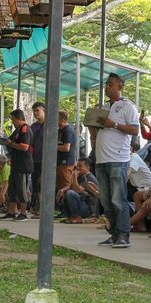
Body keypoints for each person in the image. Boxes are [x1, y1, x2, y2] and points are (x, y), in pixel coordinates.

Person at [90, 73, 139, 248]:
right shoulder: (103, 107)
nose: (107, 87)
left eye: (110, 84)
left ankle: (124, 234)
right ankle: (114, 233)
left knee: (118, 199)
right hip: (101, 159)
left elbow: (134, 130)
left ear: (120, 87)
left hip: (118, 159)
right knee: (106, 200)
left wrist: (115, 125)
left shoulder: (127, 106)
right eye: (106, 84)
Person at [0, 109, 33, 222]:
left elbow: (24, 147)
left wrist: (11, 144)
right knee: (12, 188)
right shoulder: (17, 129)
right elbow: (10, 140)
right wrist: (3, 141)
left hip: (23, 164)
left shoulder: (25, 129)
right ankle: (12, 211)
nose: (12, 122)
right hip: (15, 162)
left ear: (19, 118)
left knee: (22, 189)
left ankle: (23, 212)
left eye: (13, 120)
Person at [56, 158, 99, 223]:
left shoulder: (90, 178)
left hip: (88, 210)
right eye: (77, 166)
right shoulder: (81, 176)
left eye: (80, 166)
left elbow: (78, 189)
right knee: (66, 192)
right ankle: (70, 216)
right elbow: (71, 186)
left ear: (87, 167)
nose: (77, 168)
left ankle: (77, 217)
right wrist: (62, 190)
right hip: (81, 204)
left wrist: (74, 177)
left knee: (70, 193)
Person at [29, 102, 46, 213]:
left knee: (42, 183)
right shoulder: (33, 127)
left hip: (46, 160)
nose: (36, 113)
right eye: (34, 111)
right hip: (34, 160)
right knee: (35, 184)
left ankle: (44, 207)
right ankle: (38, 206)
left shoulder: (50, 124)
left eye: (38, 110)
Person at [56, 110, 77, 193]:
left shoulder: (68, 130)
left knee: (65, 185)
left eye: (57, 119)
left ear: (63, 120)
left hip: (66, 163)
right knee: (59, 185)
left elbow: (66, 147)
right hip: (59, 162)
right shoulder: (60, 130)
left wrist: (53, 147)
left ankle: (66, 203)